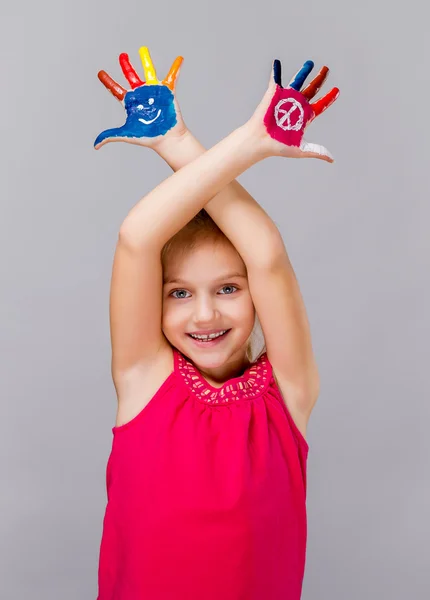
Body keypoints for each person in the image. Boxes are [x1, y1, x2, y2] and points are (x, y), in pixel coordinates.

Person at [94, 46, 339, 600]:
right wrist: (207, 146)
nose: (205, 314)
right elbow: (139, 237)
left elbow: (268, 253)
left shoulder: (289, 395)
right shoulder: (143, 379)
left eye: (228, 288)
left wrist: (206, 145)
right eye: (179, 293)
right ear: (153, 304)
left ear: (255, 294)